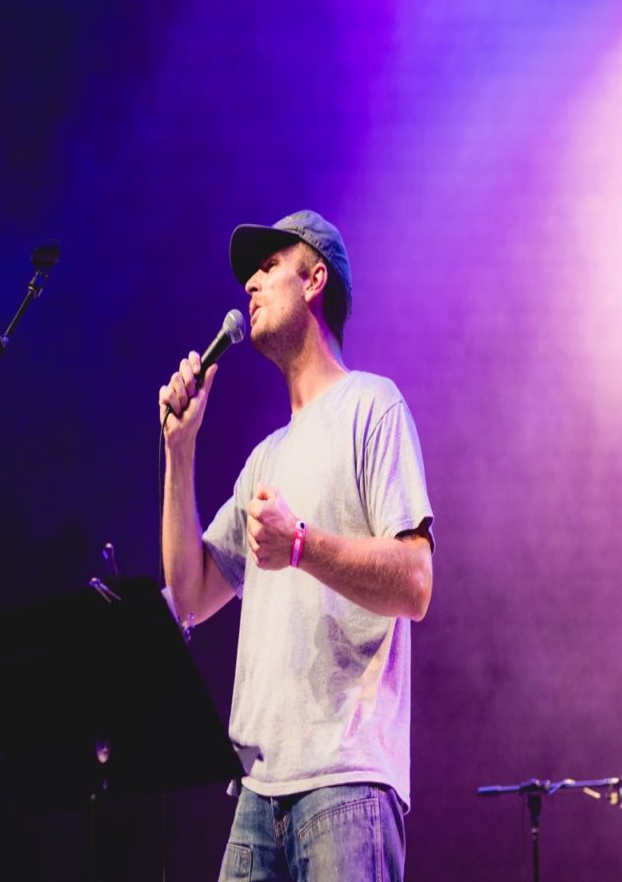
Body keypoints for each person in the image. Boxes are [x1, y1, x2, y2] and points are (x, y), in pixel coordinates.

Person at [159, 210, 434, 881]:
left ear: (314, 280)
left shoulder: (374, 406)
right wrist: (179, 450)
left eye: (269, 266)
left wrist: (301, 544)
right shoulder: (265, 458)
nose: (250, 284)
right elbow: (189, 596)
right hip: (256, 793)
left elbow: (415, 582)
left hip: (345, 781)